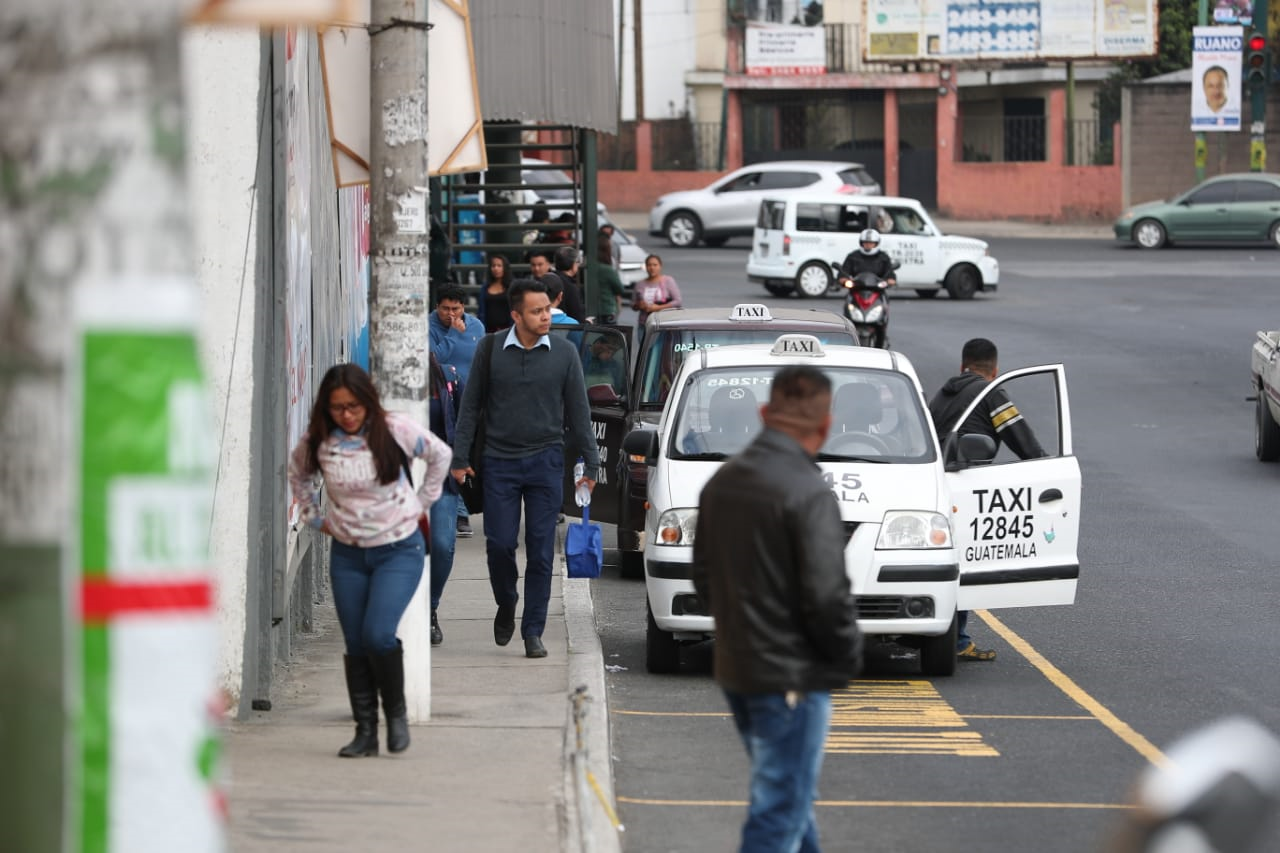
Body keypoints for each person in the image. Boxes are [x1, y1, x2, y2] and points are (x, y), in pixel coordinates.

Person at [692, 365, 862, 852]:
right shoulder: (810, 492)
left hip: (738, 666)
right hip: (793, 674)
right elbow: (828, 596)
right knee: (780, 808)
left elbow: (704, 580)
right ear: (826, 425)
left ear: (764, 413)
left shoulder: (722, 481)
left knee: (790, 799)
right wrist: (848, 657)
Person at [287, 363, 451, 757]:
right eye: (338, 407)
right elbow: (297, 475)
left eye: (354, 406)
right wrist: (314, 518)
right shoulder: (319, 442)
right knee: (357, 643)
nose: (346, 415)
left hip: (399, 549)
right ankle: (365, 732)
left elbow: (440, 454)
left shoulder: (392, 429)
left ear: (368, 402)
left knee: (378, 633)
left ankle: (395, 716)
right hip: (348, 555)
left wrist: (421, 504)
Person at [449, 278, 600, 659]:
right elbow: (470, 407)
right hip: (499, 462)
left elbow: (580, 414)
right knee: (499, 544)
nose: (546, 316)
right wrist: (460, 458)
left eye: (547, 308)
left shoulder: (565, 354)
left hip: (546, 461)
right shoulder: (490, 349)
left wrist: (591, 465)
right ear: (516, 315)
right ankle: (506, 601)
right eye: (537, 311)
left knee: (541, 550)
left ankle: (533, 630)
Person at [928, 337, 1046, 662]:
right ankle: (956, 640)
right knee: (965, 563)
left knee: (946, 562)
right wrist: (1048, 467)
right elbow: (1020, 437)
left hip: (928, 486)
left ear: (962, 365)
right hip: (963, 485)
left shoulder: (942, 394)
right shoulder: (989, 392)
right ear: (994, 369)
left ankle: (944, 634)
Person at [428, 284, 486, 538]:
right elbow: (434, 359)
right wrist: (451, 333)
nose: (450, 314)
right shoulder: (429, 327)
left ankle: (462, 511)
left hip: (470, 400)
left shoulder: (476, 327)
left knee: (466, 452)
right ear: (436, 307)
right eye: (445, 309)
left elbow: (482, 362)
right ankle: (453, 511)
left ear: (464, 307)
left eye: (456, 309)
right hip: (439, 402)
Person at [427, 353, 463, 646]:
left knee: (442, 543)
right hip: (398, 478)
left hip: (440, 475)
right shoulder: (384, 380)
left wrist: (462, 462)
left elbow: (464, 420)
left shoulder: (446, 377)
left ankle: (431, 607)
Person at [633, 253, 683, 347]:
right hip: (645, 324)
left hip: (664, 324)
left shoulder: (668, 281)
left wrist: (658, 308)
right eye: (649, 265)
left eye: (655, 265)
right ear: (646, 267)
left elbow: (678, 301)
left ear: (660, 266)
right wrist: (639, 305)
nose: (652, 268)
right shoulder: (640, 284)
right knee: (646, 352)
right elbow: (633, 304)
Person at [586, 235, 626, 325]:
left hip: (590, 310)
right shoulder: (607, 269)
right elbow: (620, 289)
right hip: (607, 309)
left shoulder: (588, 268)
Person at [476, 253, 513, 334]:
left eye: (499, 266)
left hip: (508, 330)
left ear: (505, 268)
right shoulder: (485, 287)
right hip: (488, 330)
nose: (496, 268)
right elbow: (481, 310)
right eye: (493, 266)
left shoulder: (511, 287)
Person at [550, 244, 587, 322]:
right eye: (577, 262)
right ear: (573, 264)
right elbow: (577, 316)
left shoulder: (549, 279)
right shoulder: (570, 287)